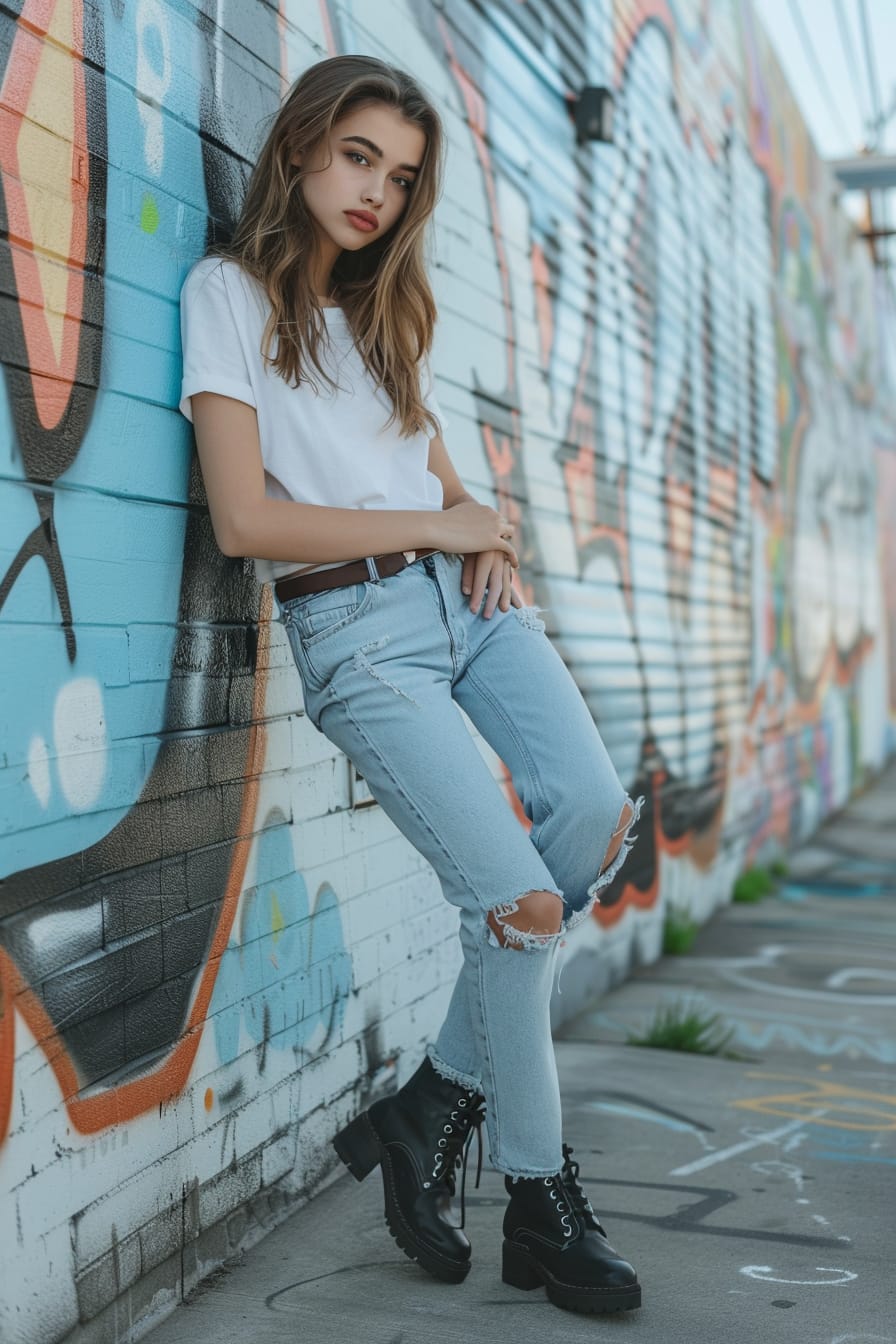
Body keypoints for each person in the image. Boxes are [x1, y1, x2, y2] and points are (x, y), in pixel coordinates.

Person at [178, 53, 645, 1315]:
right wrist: (437, 533)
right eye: (357, 157)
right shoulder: (226, 296)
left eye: (400, 174)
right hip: (359, 633)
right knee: (516, 910)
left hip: (472, 608)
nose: (376, 191)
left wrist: (478, 523)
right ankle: (539, 1203)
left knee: (591, 819)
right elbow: (239, 519)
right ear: (300, 148)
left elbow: (440, 482)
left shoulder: (384, 313)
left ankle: (428, 1102)